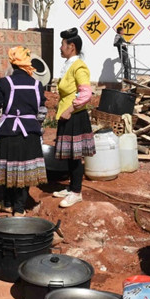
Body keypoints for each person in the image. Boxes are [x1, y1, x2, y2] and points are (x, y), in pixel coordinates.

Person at [0, 46, 47, 216]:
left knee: (9, 169)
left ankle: (7, 203)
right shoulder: (38, 85)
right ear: (27, 64)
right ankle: (19, 208)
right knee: (25, 171)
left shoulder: (5, 82)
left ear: (13, 64)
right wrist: (32, 121)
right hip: (30, 134)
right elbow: (42, 112)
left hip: (9, 133)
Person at [52, 28, 95, 208]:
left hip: (75, 117)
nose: (60, 48)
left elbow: (86, 93)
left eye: (62, 45)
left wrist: (70, 109)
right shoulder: (69, 64)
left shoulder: (79, 67)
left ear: (72, 47)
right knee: (70, 155)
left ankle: (76, 192)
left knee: (76, 156)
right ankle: (71, 187)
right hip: (68, 116)